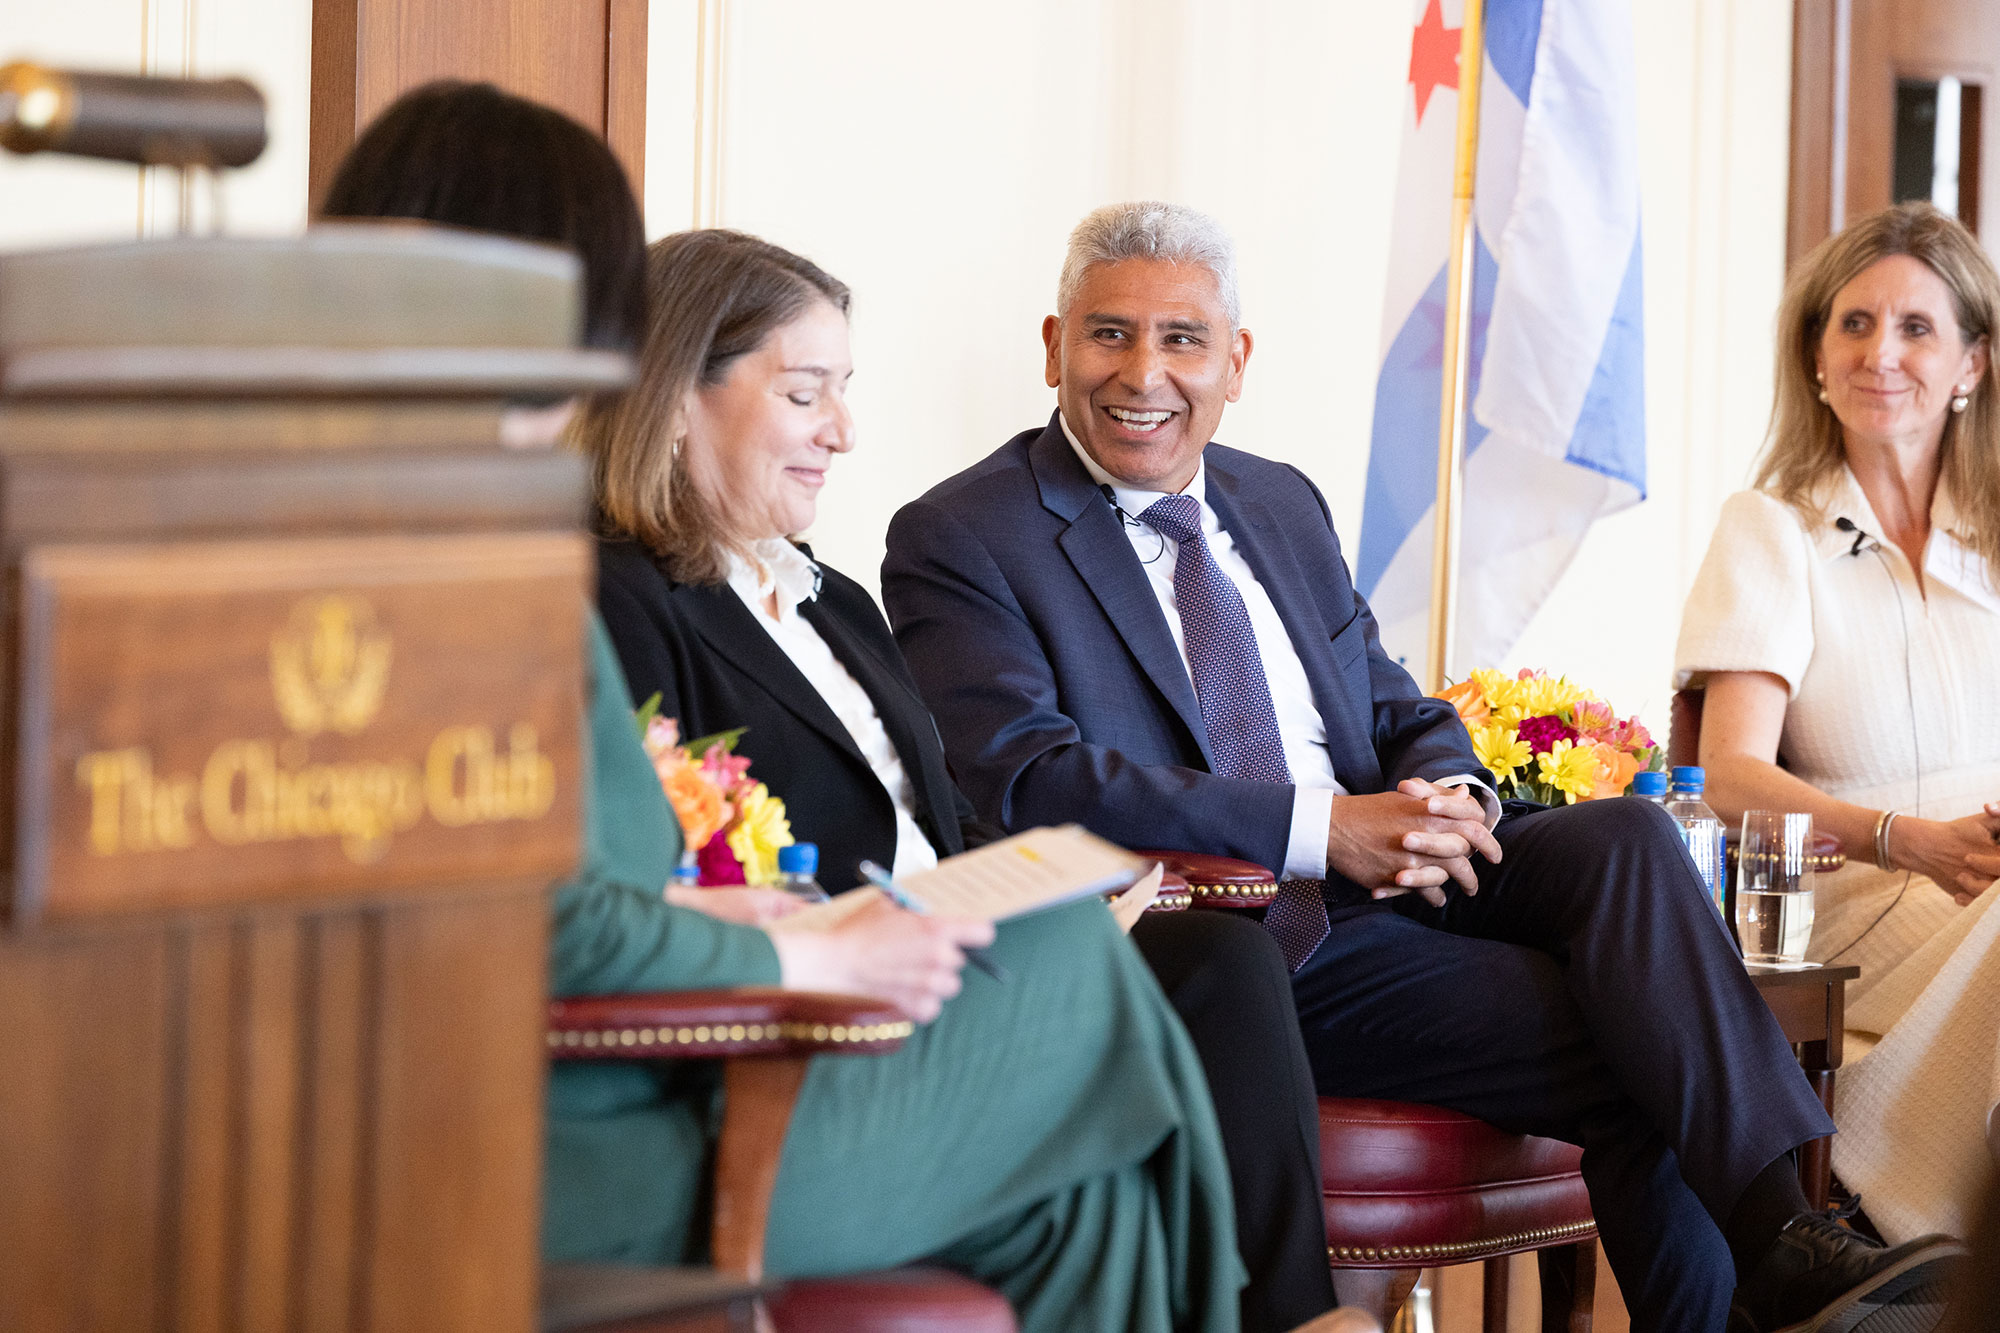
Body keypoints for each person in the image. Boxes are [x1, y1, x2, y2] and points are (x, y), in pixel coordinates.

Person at [879, 200, 1968, 1333]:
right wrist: (1325, 825)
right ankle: (1783, 1263)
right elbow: (1026, 776)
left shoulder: (1276, 502)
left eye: (1182, 339)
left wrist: (1449, 794)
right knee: (1641, 1038)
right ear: (1052, 344)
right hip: (1242, 938)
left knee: (1630, 839)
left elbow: (1396, 704)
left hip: (1401, 885)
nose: (1142, 371)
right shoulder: (964, 534)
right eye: (1107, 334)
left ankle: (1788, 1249)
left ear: (1236, 361)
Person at [322, 87, 1246, 1333]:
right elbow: (532, 925)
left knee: (1090, 1200)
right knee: (1072, 961)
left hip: (616, 1088)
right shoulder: (497, 578)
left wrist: (710, 904)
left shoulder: (442, 542)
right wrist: (800, 947)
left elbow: (535, 883)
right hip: (583, 1149)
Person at [575, 226, 1338, 1333]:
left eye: (842, 392)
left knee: (1206, 961)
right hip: (830, 1017)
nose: (843, 431)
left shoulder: (834, 603)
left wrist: (1049, 886)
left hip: (957, 952)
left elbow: (937, 824)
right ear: (677, 395)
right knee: (1102, 1114)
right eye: (805, 395)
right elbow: (675, 871)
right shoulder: (616, 600)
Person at [1676, 201, 2000, 1246]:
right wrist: (1903, 839)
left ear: (1969, 365)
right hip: (1847, 898)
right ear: (1813, 356)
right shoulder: (1770, 530)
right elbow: (1724, 774)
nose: (1879, 354)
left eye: (1915, 328)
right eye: (1852, 324)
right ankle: (1895, 1205)